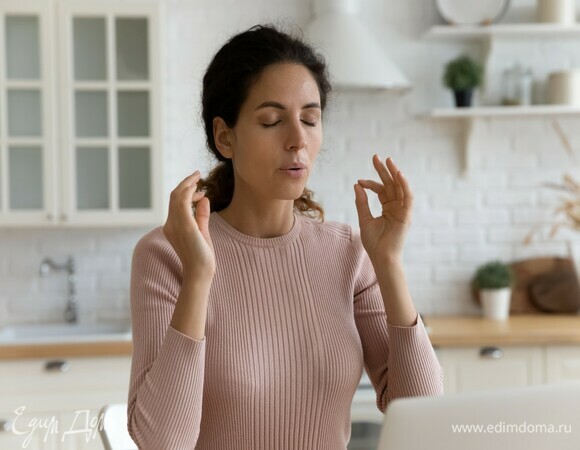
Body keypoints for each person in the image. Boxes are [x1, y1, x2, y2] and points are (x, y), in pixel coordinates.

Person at [127, 24, 443, 450]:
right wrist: (199, 275)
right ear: (225, 136)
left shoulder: (348, 251)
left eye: (310, 119)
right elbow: (160, 442)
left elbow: (422, 415)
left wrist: (388, 264)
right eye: (272, 121)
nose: (298, 140)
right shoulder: (167, 255)